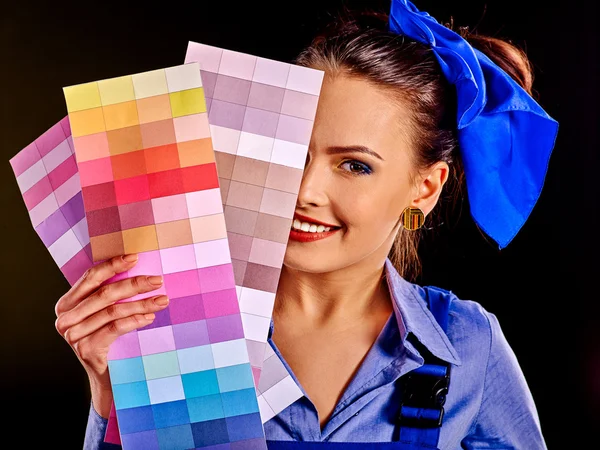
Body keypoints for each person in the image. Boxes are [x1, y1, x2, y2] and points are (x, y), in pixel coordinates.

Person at [55, 1, 557, 448]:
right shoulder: (183, 324)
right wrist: (109, 396)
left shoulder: (469, 345)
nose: (304, 191)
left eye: (354, 165)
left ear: (424, 188)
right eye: (293, 153)